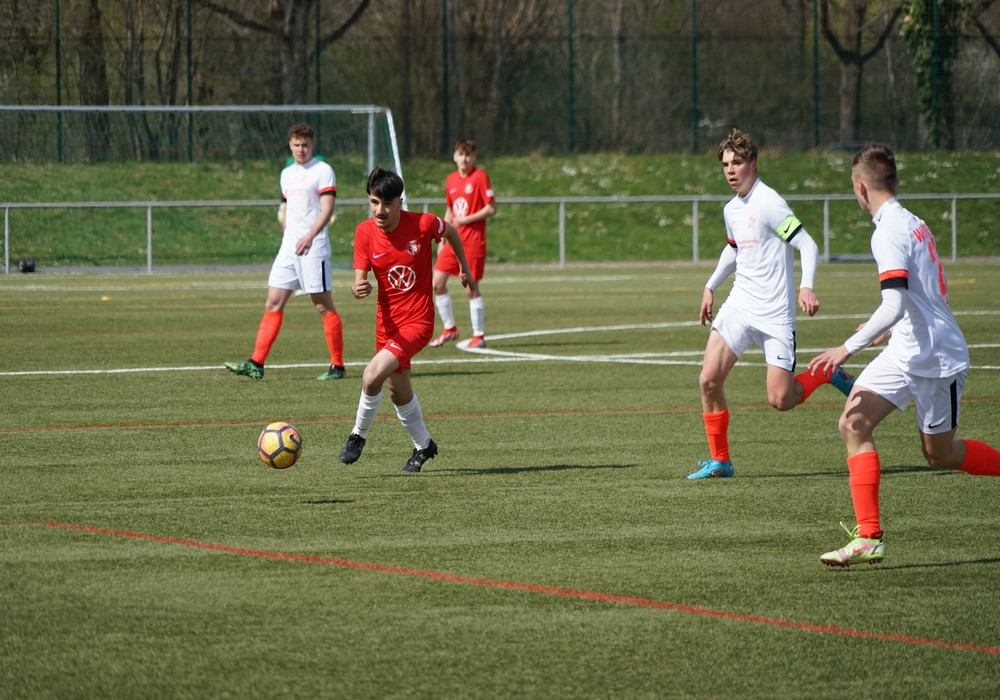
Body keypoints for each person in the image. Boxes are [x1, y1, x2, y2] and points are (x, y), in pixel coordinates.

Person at [808, 143, 1000, 567]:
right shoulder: (911, 221)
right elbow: (917, 296)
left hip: (936, 359)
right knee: (853, 422)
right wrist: (889, 330)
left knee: (939, 456)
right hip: (905, 349)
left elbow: (894, 303)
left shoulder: (889, 232)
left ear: (861, 188)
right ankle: (869, 537)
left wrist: (846, 349)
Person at [688, 128, 854, 480]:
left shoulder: (769, 203)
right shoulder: (731, 209)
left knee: (781, 399)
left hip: (775, 314)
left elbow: (807, 244)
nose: (730, 170)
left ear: (753, 163)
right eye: (725, 165)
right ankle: (721, 461)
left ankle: (825, 373)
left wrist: (806, 287)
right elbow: (734, 248)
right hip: (739, 306)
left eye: (737, 163)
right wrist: (710, 286)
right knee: (708, 380)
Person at [339, 167, 476, 473]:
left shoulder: (423, 224)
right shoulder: (364, 232)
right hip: (386, 324)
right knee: (397, 391)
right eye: (374, 202)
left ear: (400, 203)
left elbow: (451, 232)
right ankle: (424, 446)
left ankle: (357, 435)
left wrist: (463, 269)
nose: (380, 210)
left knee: (371, 376)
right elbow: (358, 280)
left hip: (418, 322)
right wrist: (357, 287)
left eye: (387, 204)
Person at [225, 123, 346, 382]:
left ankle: (337, 365)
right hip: (289, 250)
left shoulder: (323, 170)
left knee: (323, 305)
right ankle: (256, 363)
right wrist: (288, 235)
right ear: (289, 145)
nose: (301, 149)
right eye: (296, 145)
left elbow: (327, 209)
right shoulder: (286, 174)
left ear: (313, 145)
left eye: (305, 145)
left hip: (314, 248)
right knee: (273, 302)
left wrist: (309, 236)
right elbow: (288, 209)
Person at [429, 139, 496, 349]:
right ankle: (450, 328)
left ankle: (478, 335)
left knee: (470, 288)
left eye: (468, 155)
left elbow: (491, 208)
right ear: (454, 156)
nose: (464, 159)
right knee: (436, 284)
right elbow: (450, 210)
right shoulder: (450, 180)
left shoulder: (480, 177)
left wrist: (466, 219)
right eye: (460, 154)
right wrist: (442, 239)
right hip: (452, 242)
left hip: (473, 243)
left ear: (474, 157)